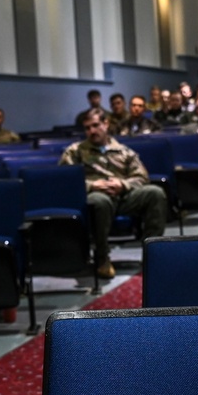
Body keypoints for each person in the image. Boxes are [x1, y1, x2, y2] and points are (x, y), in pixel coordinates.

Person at [59, 109, 167, 279]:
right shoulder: (75, 151)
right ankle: (102, 258)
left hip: (123, 196)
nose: (92, 131)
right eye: (87, 128)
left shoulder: (123, 151)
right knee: (99, 202)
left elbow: (141, 176)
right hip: (96, 196)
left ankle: (152, 254)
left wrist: (122, 184)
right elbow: (65, 181)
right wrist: (92, 185)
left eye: (95, 125)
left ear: (106, 124)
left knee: (156, 193)